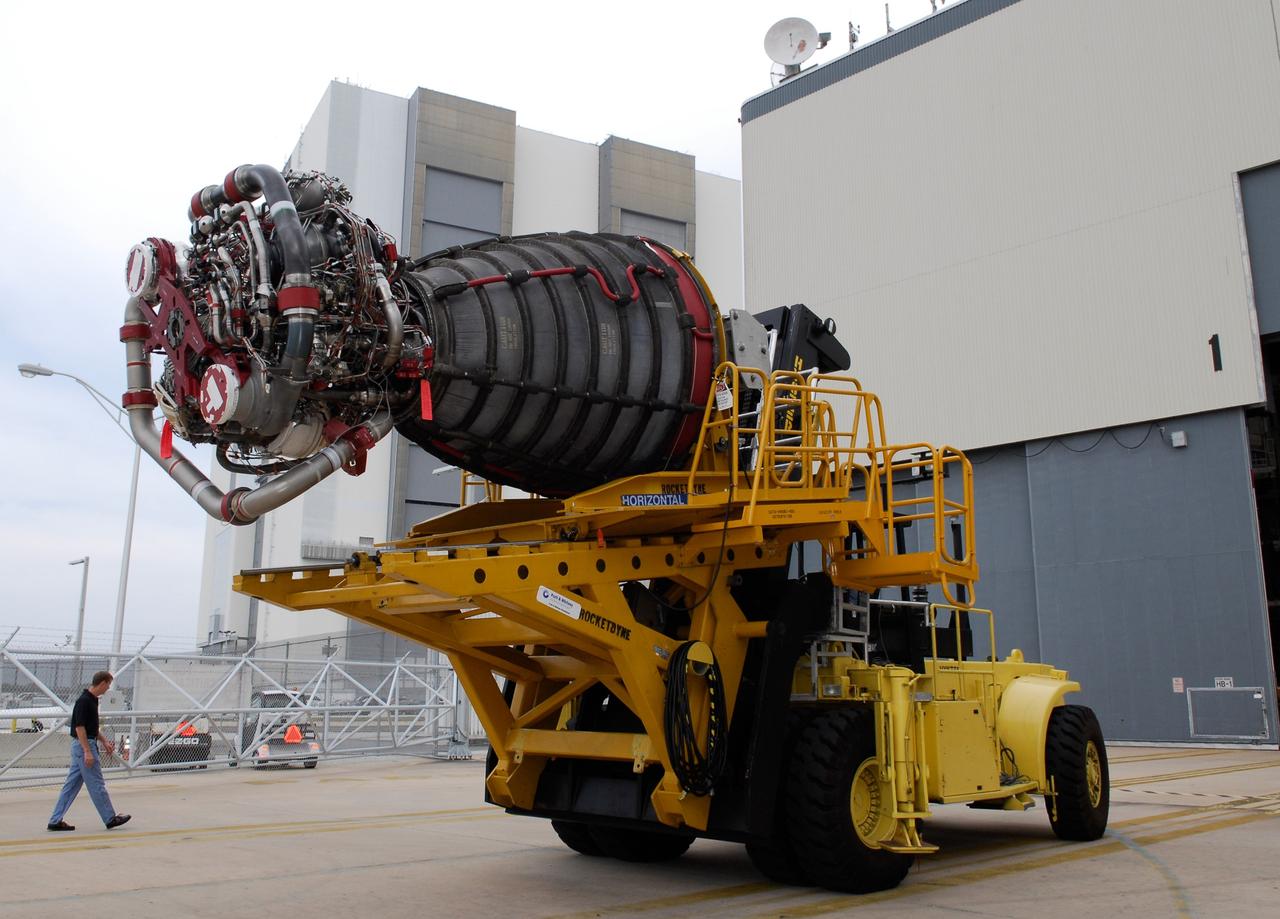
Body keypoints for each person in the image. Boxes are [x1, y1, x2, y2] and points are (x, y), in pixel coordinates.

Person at [47, 670, 131, 831]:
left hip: (84, 744)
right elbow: (80, 728)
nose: (108, 689)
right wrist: (87, 751)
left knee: (71, 786)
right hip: (84, 745)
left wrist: (104, 741)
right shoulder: (84, 701)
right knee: (96, 784)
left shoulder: (92, 701)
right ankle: (110, 818)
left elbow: (91, 728)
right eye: (108, 685)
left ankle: (55, 820)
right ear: (103, 683)